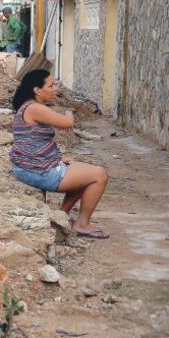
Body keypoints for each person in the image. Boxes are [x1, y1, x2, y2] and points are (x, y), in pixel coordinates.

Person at [10, 69, 109, 238]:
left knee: (80, 168)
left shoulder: (30, 106)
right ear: (37, 90)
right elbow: (67, 123)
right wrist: (69, 111)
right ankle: (82, 224)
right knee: (100, 175)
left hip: (29, 167)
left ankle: (61, 215)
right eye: (51, 85)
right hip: (37, 171)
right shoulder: (34, 108)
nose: (56, 88)